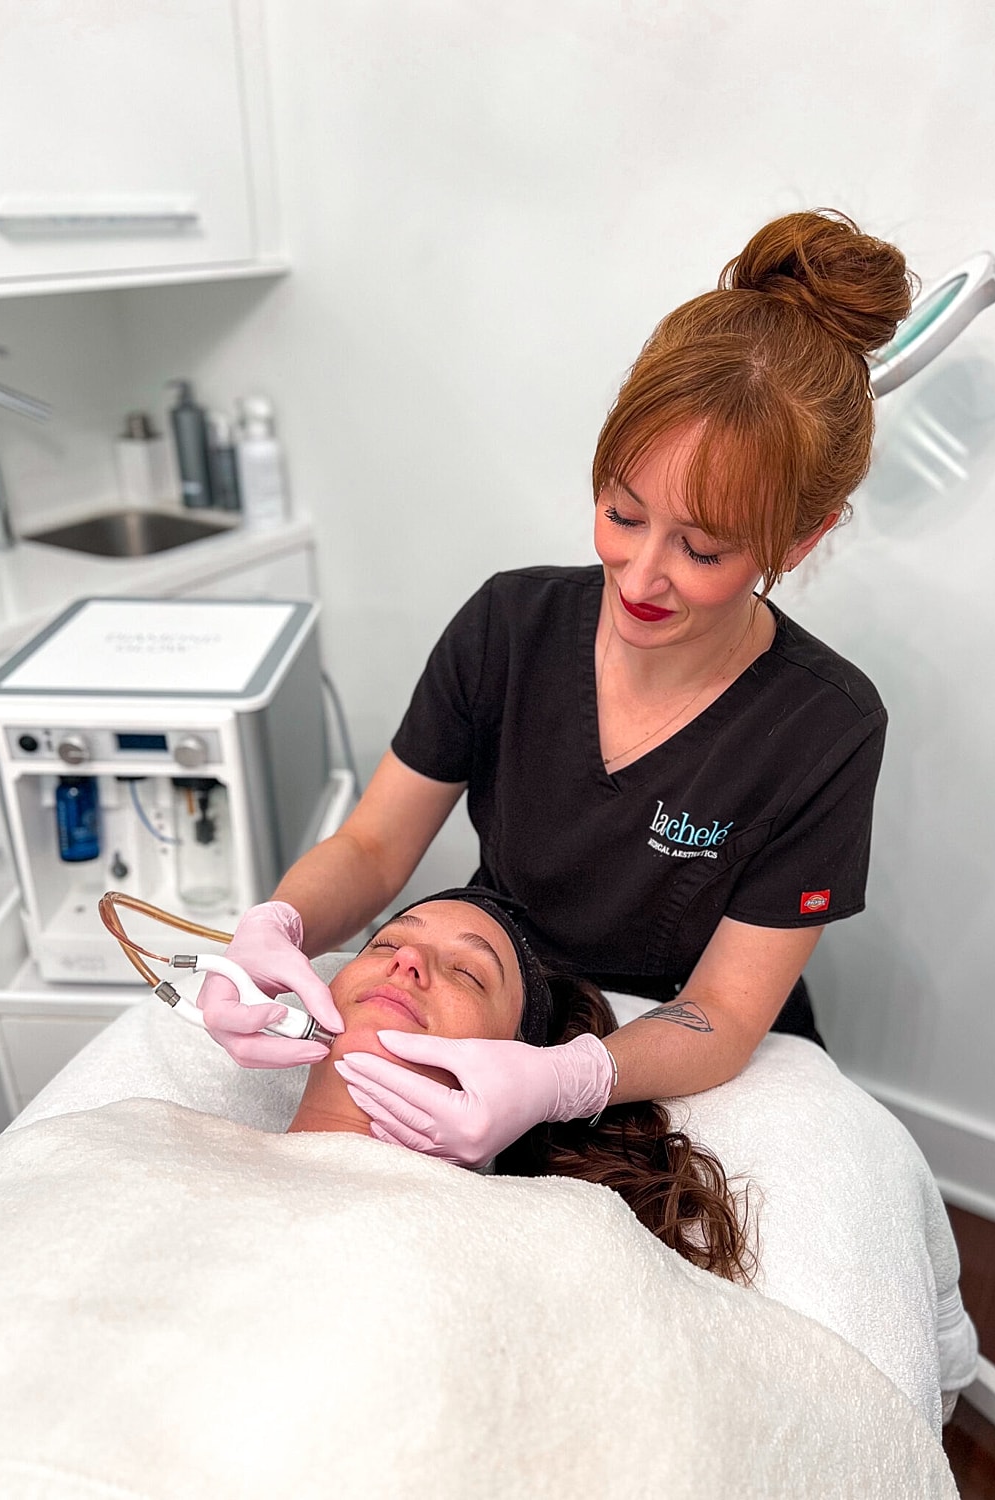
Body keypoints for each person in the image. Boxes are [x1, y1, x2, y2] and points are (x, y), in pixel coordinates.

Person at [198, 207, 915, 1168]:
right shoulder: (511, 626)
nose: (640, 573)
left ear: (800, 540)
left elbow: (725, 1010)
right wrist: (274, 925)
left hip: (664, 1047)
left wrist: (570, 1078)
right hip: (500, 996)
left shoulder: (822, 726)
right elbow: (373, 848)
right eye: (621, 511)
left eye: (700, 548)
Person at [288, 887, 752, 1280]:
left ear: (513, 1062)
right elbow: (370, 845)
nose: (407, 959)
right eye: (384, 944)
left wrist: (569, 1076)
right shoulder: (214, 1153)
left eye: (468, 973)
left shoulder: (536, 1256)